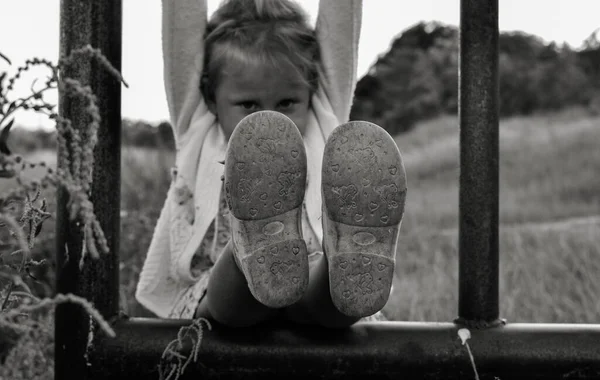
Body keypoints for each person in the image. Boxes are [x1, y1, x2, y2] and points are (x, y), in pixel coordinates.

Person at [136, 0, 407, 328]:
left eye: (287, 102)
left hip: (310, 282)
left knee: (331, 293)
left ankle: (349, 260)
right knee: (240, 276)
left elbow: (341, 21)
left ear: (311, 95)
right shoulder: (198, 128)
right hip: (224, 296)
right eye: (248, 104)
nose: (271, 118)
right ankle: (253, 253)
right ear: (210, 100)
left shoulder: (322, 123)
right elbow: (182, 21)